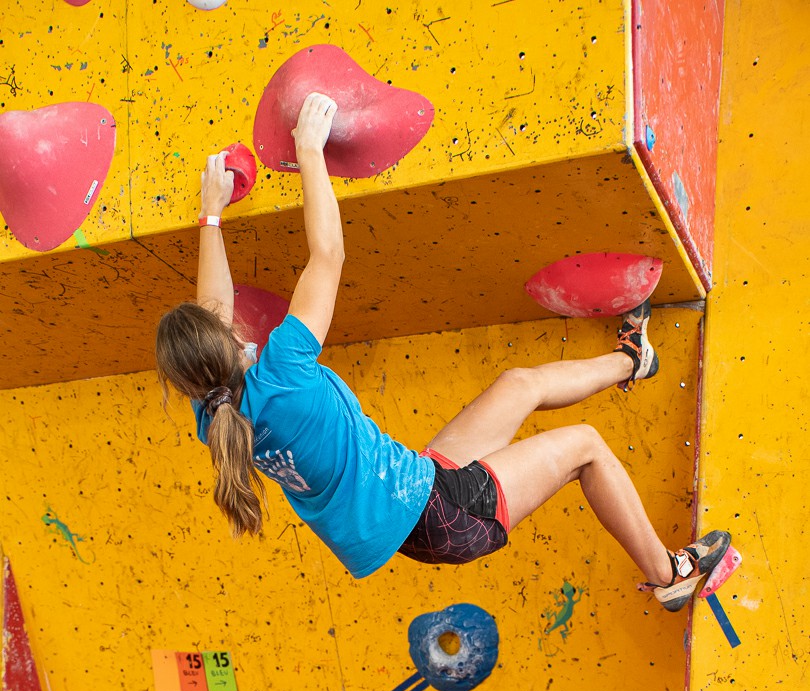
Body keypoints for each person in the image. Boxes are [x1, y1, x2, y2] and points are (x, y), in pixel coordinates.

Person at [155, 92, 730, 613]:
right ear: (228, 342)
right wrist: (309, 151)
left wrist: (212, 213)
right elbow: (326, 256)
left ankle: (634, 359)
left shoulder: (214, 413)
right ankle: (671, 574)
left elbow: (212, 309)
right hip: (446, 512)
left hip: (419, 491)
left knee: (519, 384)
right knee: (586, 447)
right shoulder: (284, 372)